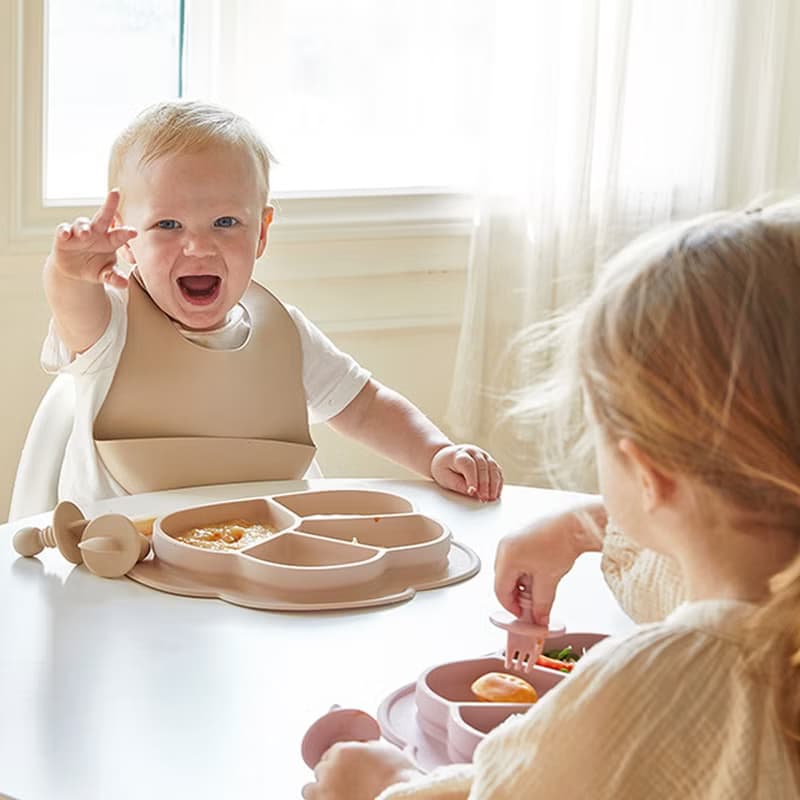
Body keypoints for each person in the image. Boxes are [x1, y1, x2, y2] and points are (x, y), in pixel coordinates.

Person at [302, 203, 800, 798]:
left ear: (647, 471)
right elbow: (702, 586)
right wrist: (582, 529)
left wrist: (383, 783)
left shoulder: (647, 686)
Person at [32, 100, 502, 508]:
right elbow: (76, 308)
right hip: (128, 572)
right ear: (127, 242)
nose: (198, 246)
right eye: (168, 225)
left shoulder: (283, 336)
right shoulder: (113, 327)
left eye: (224, 221)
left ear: (261, 231)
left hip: (260, 558)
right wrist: (69, 272)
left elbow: (363, 408)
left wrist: (435, 453)